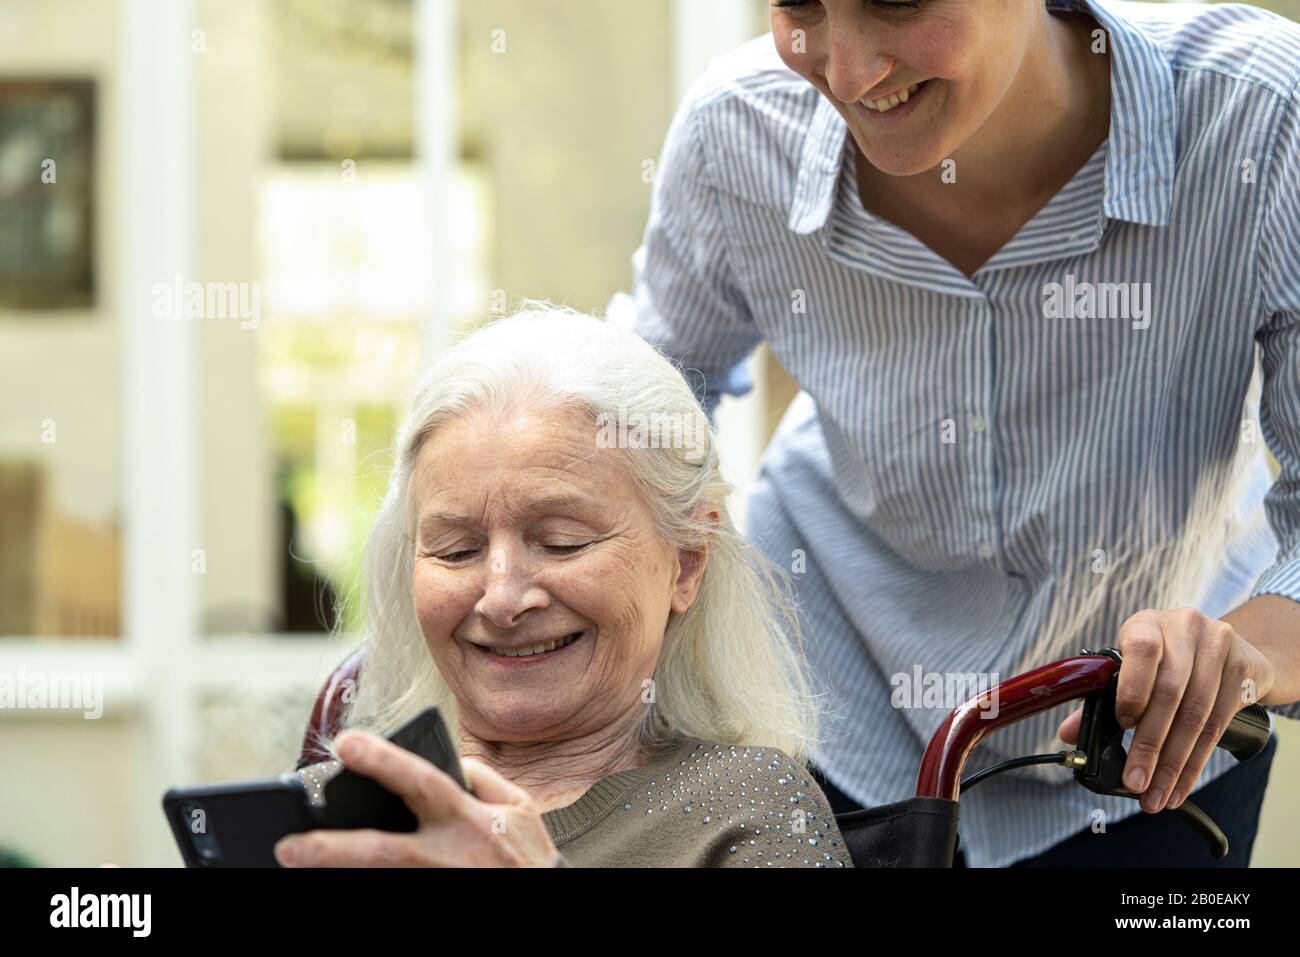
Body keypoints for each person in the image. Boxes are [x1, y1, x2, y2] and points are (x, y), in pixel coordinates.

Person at [610, 0, 1300, 866]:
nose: (849, 72)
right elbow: (645, 409)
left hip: (1147, 759)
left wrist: (1236, 657)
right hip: (826, 712)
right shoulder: (736, 131)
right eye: (800, 7)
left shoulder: (1264, 116)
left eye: (897, 2)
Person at [278, 306, 852, 868]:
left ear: (686, 563)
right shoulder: (324, 817)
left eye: (561, 541)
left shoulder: (749, 808)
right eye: (457, 550)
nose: (501, 600)